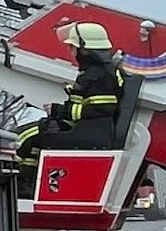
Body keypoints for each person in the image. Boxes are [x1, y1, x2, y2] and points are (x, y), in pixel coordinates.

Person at [15, 23, 128, 170]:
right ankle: (28, 179)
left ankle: (20, 178)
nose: (70, 51)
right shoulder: (98, 72)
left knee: (25, 135)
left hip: (87, 130)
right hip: (87, 128)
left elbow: (101, 110)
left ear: (84, 48)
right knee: (35, 136)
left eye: (72, 47)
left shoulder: (100, 75)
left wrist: (60, 111)